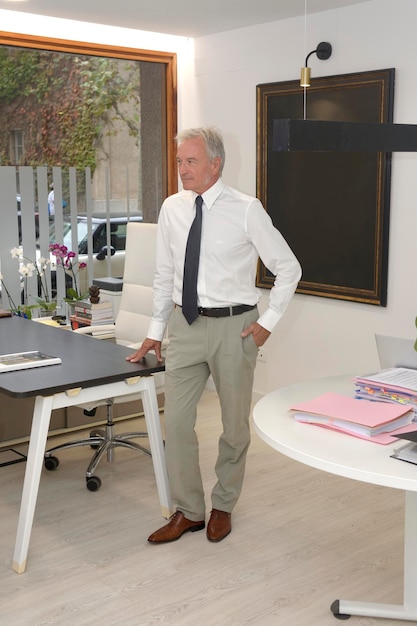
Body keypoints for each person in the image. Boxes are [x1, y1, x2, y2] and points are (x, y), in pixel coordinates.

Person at [127, 126, 301, 544]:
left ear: (214, 164)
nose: (182, 169)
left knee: (233, 426)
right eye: (179, 162)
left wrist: (267, 323)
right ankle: (188, 511)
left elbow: (288, 268)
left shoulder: (246, 209)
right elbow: (165, 272)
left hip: (234, 328)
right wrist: (154, 330)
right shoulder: (172, 208)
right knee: (179, 423)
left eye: (191, 161)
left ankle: (223, 504)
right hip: (185, 327)